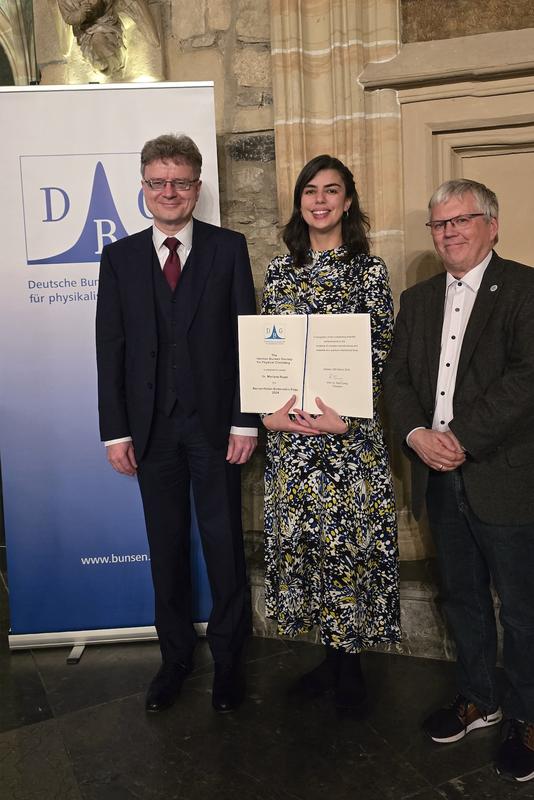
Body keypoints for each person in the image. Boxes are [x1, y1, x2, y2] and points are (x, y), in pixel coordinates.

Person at [96, 133, 258, 714]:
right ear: (144, 188)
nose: (170, 192)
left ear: (196, 188)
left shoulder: (228, 248)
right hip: (150, 432)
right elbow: (109, 347)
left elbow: (246, 342)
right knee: (164, 547)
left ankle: (230, 660)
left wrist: (246, 421)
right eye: (159, 182)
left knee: (223, 545)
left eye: (182, 182)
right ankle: (175, 658)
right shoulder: (118, 259)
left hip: (216, 428)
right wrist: (115, 431)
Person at [383, 178, 534, 783]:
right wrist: (418, 434)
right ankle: (481, 697)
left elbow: (527, 379)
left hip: (503, 476)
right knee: (462, 596)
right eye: (439, 224)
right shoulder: (418, 299)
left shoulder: (524, 288)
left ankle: (528, 715)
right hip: (437, 478)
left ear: (491, 225)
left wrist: (462, 437)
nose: (449, 232)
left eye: (461, 220)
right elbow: (396, 378)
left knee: (523, 610)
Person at [260, 155, 401, 710]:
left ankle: (351, 668)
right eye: (310, 191)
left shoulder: (369, 271)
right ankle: (329, 657)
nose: (319, 200)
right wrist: (267, 410)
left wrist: (349, 418)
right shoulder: (279, 271)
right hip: (293, 438)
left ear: (348, 202)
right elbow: (266, 352)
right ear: (300, 202)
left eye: (331, 191)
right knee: (310, 550)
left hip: (347, 439)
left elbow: (381, 351)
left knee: (348, 547)